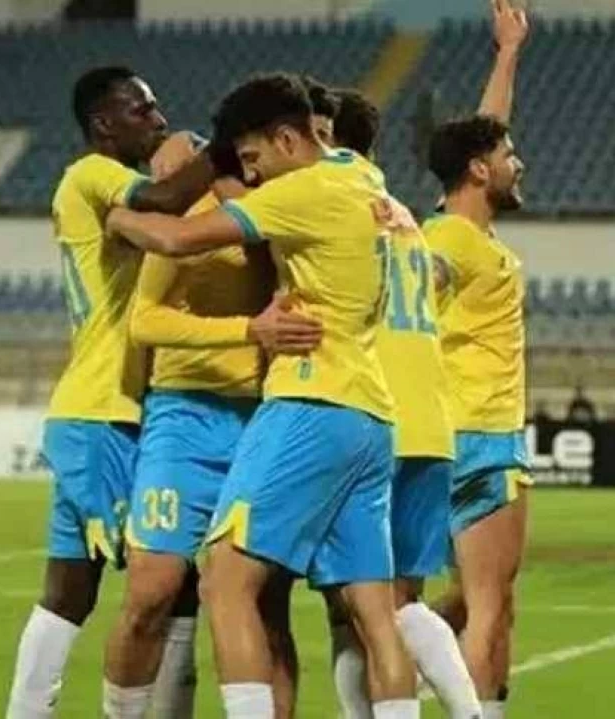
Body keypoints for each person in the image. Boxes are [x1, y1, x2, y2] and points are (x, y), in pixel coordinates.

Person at [106, 73, 420, 719]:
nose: (251, 174)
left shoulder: (303, 190)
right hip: (370, 416)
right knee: (376, 615)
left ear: (286, 139)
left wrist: (116, 213)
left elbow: (175, 236)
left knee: (224, 581)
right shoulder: (365, 178)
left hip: (310, 403)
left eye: (254, 158)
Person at [4, 65, 217, 719]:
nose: (158, 119)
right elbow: (167, 199)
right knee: (171, 578)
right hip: (104, 416)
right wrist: (233, 142)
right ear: (103, 123)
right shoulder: (92, 174)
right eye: (141, 110)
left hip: (98, 411)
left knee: (70, 591)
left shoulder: (108, 195)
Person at [101, 182, 321, 718]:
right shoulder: (194, 217)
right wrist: (248, 330)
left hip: (268, 418)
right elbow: (144, 320)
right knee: (151, 590)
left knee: (266, 605)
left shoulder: (293, 213)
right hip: (184, 418)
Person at [305, 86, 481, 719]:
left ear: (321, 136)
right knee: (400, 600)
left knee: (358, 608)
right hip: (429, 421)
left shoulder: (324, 202)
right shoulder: (401, 215)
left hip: (372, 415)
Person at [424, 4, 531, 718]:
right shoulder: (451, 242)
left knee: (467, 601)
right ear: (478, 169)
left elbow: (485, 133)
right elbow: (418, 283)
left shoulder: (452, 226)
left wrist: (508, 53)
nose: (519, 163)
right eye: (509, 155)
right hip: (483, 438)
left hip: (447, 437)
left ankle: (390, 661)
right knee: (492, 606)